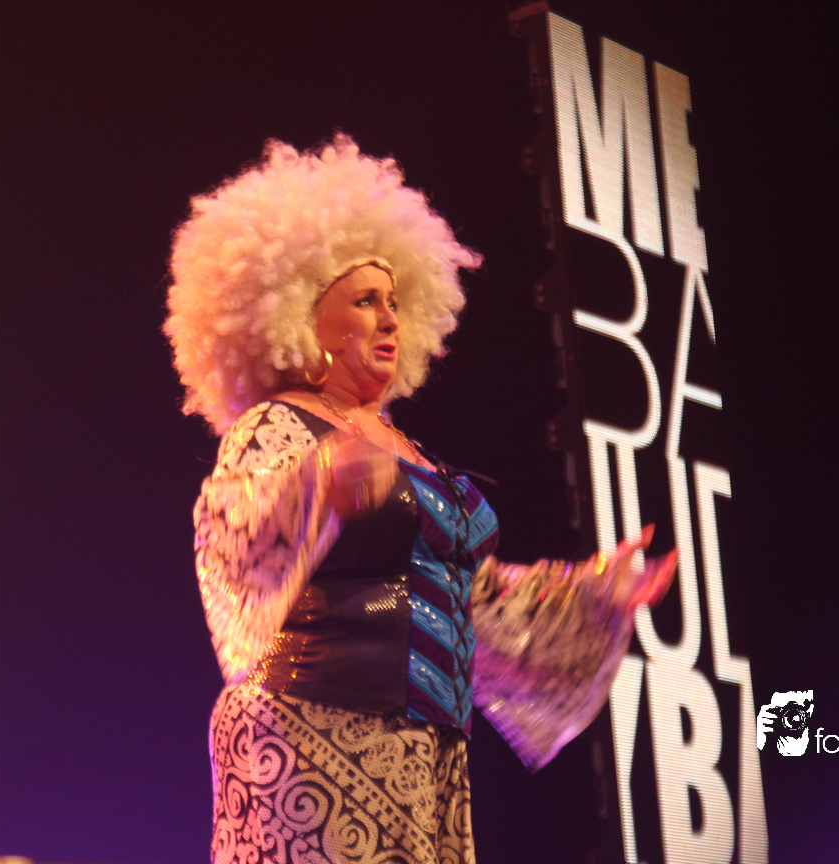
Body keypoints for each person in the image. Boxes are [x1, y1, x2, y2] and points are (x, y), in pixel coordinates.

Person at [164, 134, 677, 864]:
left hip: (426, 757)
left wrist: (597, 594)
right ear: (302, 317)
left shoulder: (409, 451)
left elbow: (473, 596)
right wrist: (319, 486)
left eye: (394, 302)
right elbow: (230, 531)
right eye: (363, 301)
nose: (388, 318)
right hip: (312, 740)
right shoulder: (280, 424)